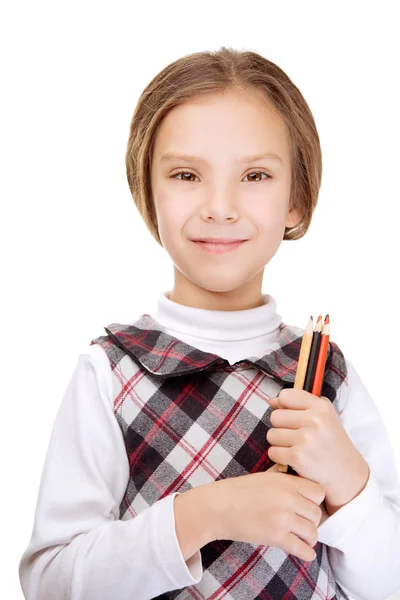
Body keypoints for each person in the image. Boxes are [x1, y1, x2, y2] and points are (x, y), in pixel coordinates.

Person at [19, 47, 400, 600]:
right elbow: (50, 583)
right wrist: (205, 514)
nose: (220, 207)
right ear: (149, 195)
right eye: (185, 174)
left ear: (295, 199)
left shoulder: (326, 377)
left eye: (254, 174)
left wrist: (350, 485)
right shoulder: (111, 371)